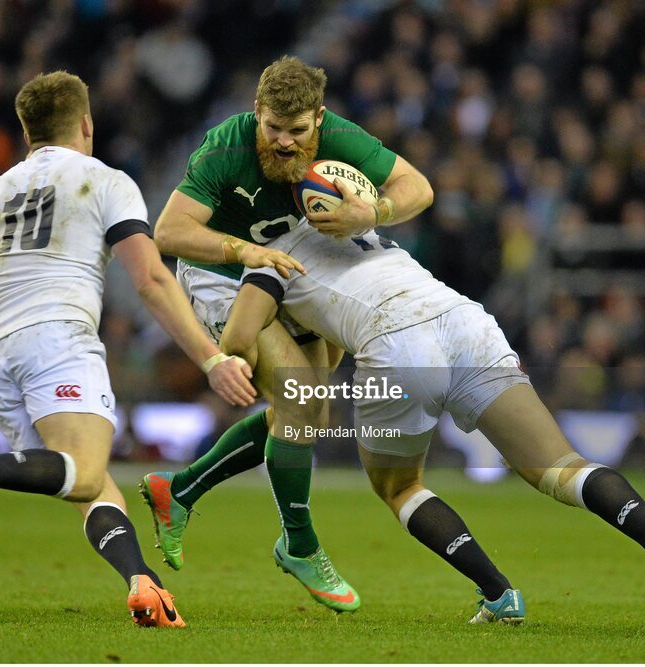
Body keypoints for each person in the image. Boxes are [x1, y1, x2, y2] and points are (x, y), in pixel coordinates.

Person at [214, 217, 645, 630]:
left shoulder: (270, 251)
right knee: (561, 467)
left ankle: (499, 593)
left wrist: (236, 355)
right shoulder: (357, 219)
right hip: (464, 320)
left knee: (399, 485)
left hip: (399, 341)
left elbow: (238, 337)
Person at [0, 71, 257, 629]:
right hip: (57, 341)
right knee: (87, 471)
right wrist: (210, 358)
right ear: (85, 124)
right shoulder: (104, 179)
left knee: (82, 482)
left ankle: (145, 585)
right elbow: (150, 279)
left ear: (27, 134)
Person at [141, 55, 433, 612]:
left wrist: (375, 213)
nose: (280, 141)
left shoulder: (340, 139)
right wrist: (244, 250)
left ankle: (178, 491)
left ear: (318, 121)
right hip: (223, 273)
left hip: (296, 267)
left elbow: (418, 186)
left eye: (296, 131)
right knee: (301, 401)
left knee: (302, 412)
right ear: (257, 113)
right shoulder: (227, 146)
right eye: (271, 127)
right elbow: (170, 231)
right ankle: (299, 544)